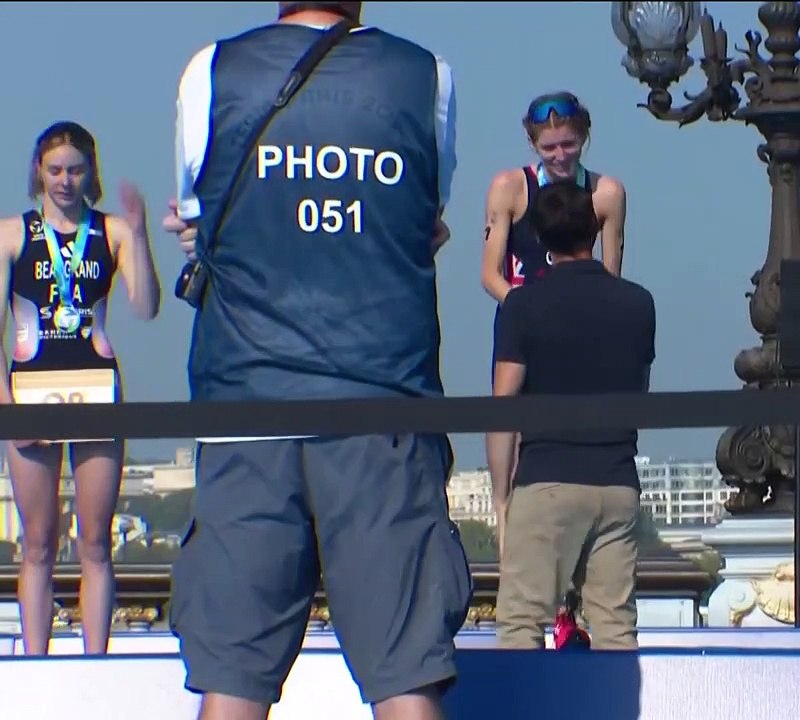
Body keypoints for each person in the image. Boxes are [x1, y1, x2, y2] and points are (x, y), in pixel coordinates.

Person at [161, 3, 470, 719]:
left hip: (249, 401)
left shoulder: (212, 71)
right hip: (381, 404)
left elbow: (197, 218)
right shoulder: (426, 77)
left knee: (231, 680)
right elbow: (425, 222)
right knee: (405, 677)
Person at [0, 121, 159, 656]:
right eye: (55, 171)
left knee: (95, 540)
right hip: (31, 391)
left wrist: (138, 236)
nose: (65, 181)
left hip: (97, 391)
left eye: (75, 170)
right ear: (38, 173)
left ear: (91, 173)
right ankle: (37, 661)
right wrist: (5, 405)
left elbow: (145, 306)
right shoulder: (11, 234)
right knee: (39, 542)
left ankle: (96, 659)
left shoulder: (110, 231)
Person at [491, 179, 654, 651]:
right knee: (615, 627)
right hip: (617, 479)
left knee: (522, 622)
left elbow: (503, 405)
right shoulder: (637, 303)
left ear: (539, 239)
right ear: (593, 229)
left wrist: (502, 496)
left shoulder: (522, 306)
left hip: (548, 478)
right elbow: (640, 392)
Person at [480, 91, 628, 552]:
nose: (560, 156)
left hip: (578, 321)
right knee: (505, 404)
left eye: (568, 145)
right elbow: (490, 272)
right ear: (534, 146)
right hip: (521, 311)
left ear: (583, 138)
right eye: (550, 148)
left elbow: (610, 274)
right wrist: (527, 309)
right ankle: (502, 506)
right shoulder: (511, 187)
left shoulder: (605, 193)